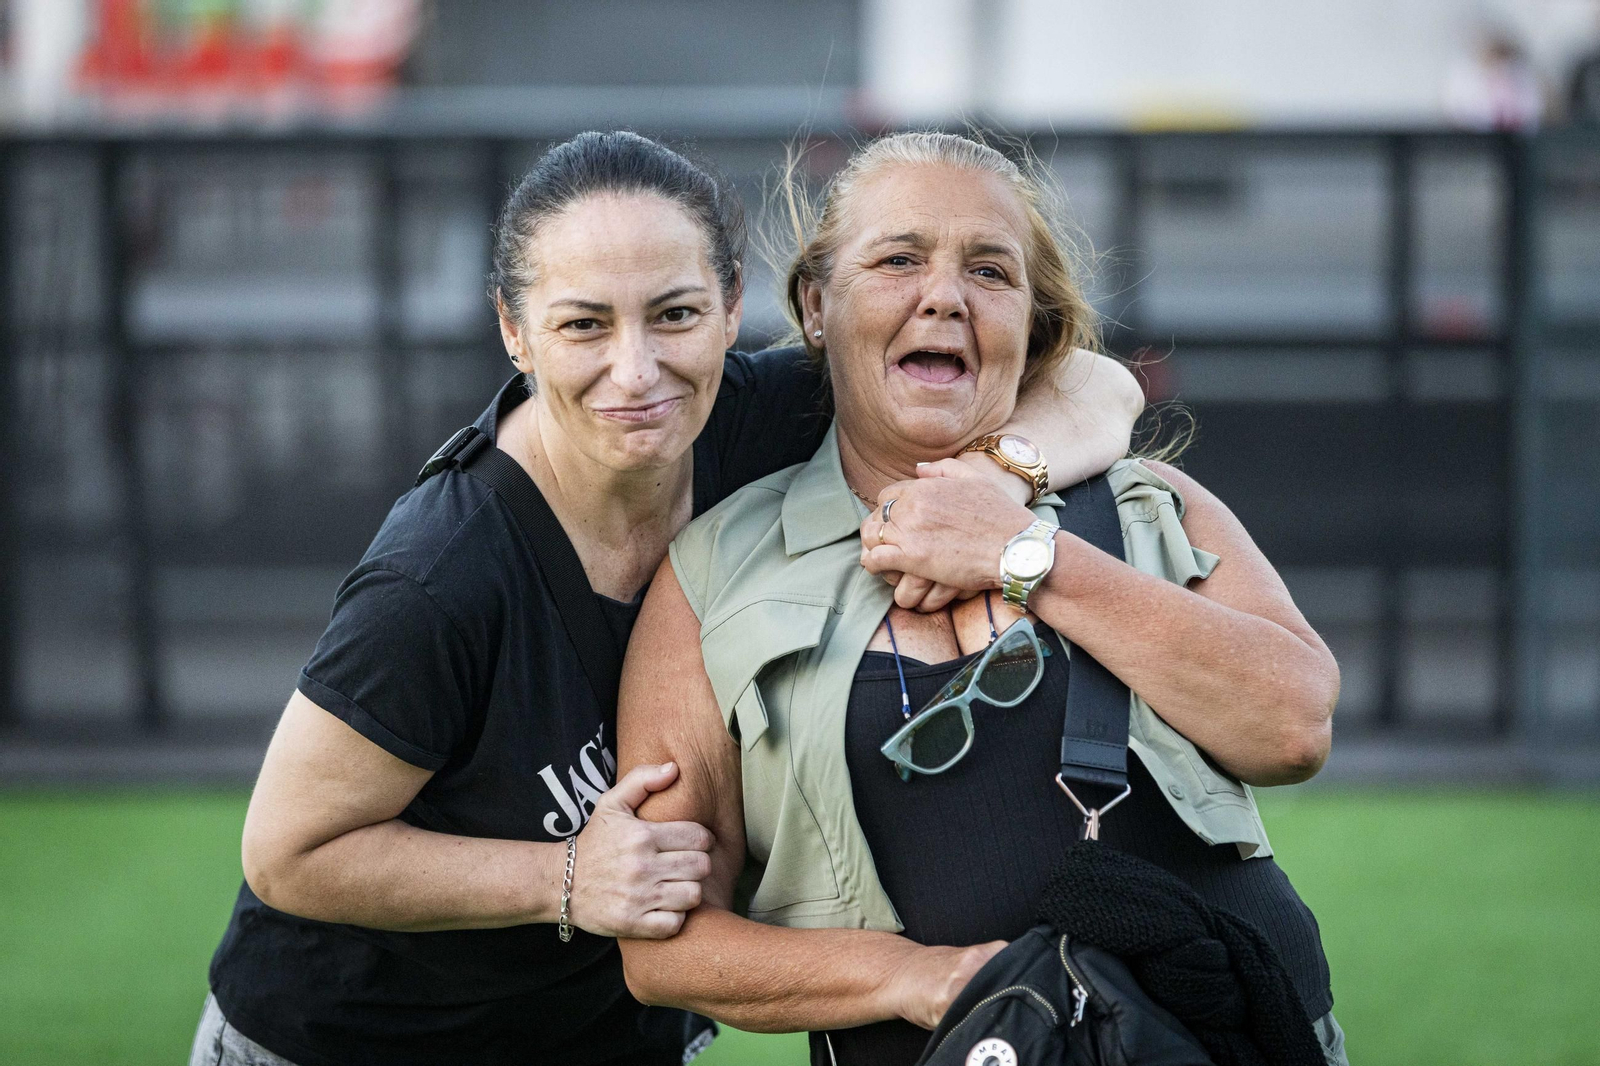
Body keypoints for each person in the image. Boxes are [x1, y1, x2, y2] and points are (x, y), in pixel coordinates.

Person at [188, 130, 1145, 1066]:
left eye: (675, 314)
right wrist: (565, 878)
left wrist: (997, 480)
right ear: (514, 331)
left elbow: (1093, 383)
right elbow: (289, 852)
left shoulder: (761, 415)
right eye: (584, 324)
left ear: (733, 309)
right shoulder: (440, 578)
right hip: (350, 1039)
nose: (638, 371)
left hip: (610, 1034)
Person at [616, 131, 1349, 1066]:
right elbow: (663, 947)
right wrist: (920, 981)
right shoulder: (713, 571)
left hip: (1228, 1038)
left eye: (990, 272)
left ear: (1032, 322)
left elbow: (1292, 729)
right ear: (814, 304)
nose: (945, 296)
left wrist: (1022, 551)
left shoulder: (1142, 503)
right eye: (898, 260)